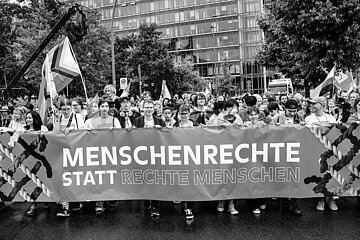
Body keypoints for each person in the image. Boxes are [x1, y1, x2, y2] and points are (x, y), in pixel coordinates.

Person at [84, 99, 121, 216]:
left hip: (111, 153)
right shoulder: (91, 121)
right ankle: (99, 204)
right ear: (99, 108)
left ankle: (112, 202)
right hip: (97, 153)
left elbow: (121, 135)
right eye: (102, 106)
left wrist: (115, 131)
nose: (104, 108)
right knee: (98, 178)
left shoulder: (114, 120)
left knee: (111, 178)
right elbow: (81, 134)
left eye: (106, 106)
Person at [304, 97, 338, 211]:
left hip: (329, 150)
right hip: (315, 149)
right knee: (319, 174)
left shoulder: (331, 118)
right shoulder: (308, 118)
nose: (312, 106)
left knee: (331, 174)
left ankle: (330, 198)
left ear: (322, 105)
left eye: (315, 104)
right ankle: (321, 199)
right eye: (311, 104)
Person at [134, 100, 166, 218]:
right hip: (142, 154)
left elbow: (167, 136)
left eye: (150, 107)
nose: (148, 109)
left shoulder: (159, 121)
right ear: (142, 108)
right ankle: (147, 200)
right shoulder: (138, 121)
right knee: (145, 178)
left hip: (156, 154)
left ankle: (155, 205)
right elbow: (133, 135)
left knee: (155, 179)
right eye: (146, 107)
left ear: (154, 109)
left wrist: (161, 130)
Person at [210, 100, 240, 215]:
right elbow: (211, 132)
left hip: (236, 152)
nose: (233, 110)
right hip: (222, 152)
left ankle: (232, 204)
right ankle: (221, 200)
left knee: (233, 178)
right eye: (230, 107)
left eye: (235, 107)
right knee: (223, 177)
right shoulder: (219, 118)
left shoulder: (238, 119)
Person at [173, 104, 199, 220]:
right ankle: (180, 197)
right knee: (181, 181)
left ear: (189, 113)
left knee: (191, 183)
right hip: (179, 158)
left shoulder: (195, 124)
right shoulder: (176, 125)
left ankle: (189, 207)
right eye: (181, 113)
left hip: (192, 158)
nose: (183, 115)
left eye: (186, 112)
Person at [243, 106, 267, 214]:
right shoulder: (245, 125)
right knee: (251, 179)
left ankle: (262, 200)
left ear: (258, 115)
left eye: (255, 114)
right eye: (251, 114)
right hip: (249, 155)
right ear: (248, 116)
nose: (253, 117)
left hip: (261, 154)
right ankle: (253, 205)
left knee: (262, 178)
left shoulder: (262, 125)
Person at [25, 111, 49, 217]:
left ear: (35, 118)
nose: (28, 120)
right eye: (27, 118)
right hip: (30, 159)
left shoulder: (42, 128)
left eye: (30, 118)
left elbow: (48, 140)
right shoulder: (24, 129)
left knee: (43, 181)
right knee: (32, 182)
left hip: (41, 158)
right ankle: (33, 206)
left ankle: (46, 201)